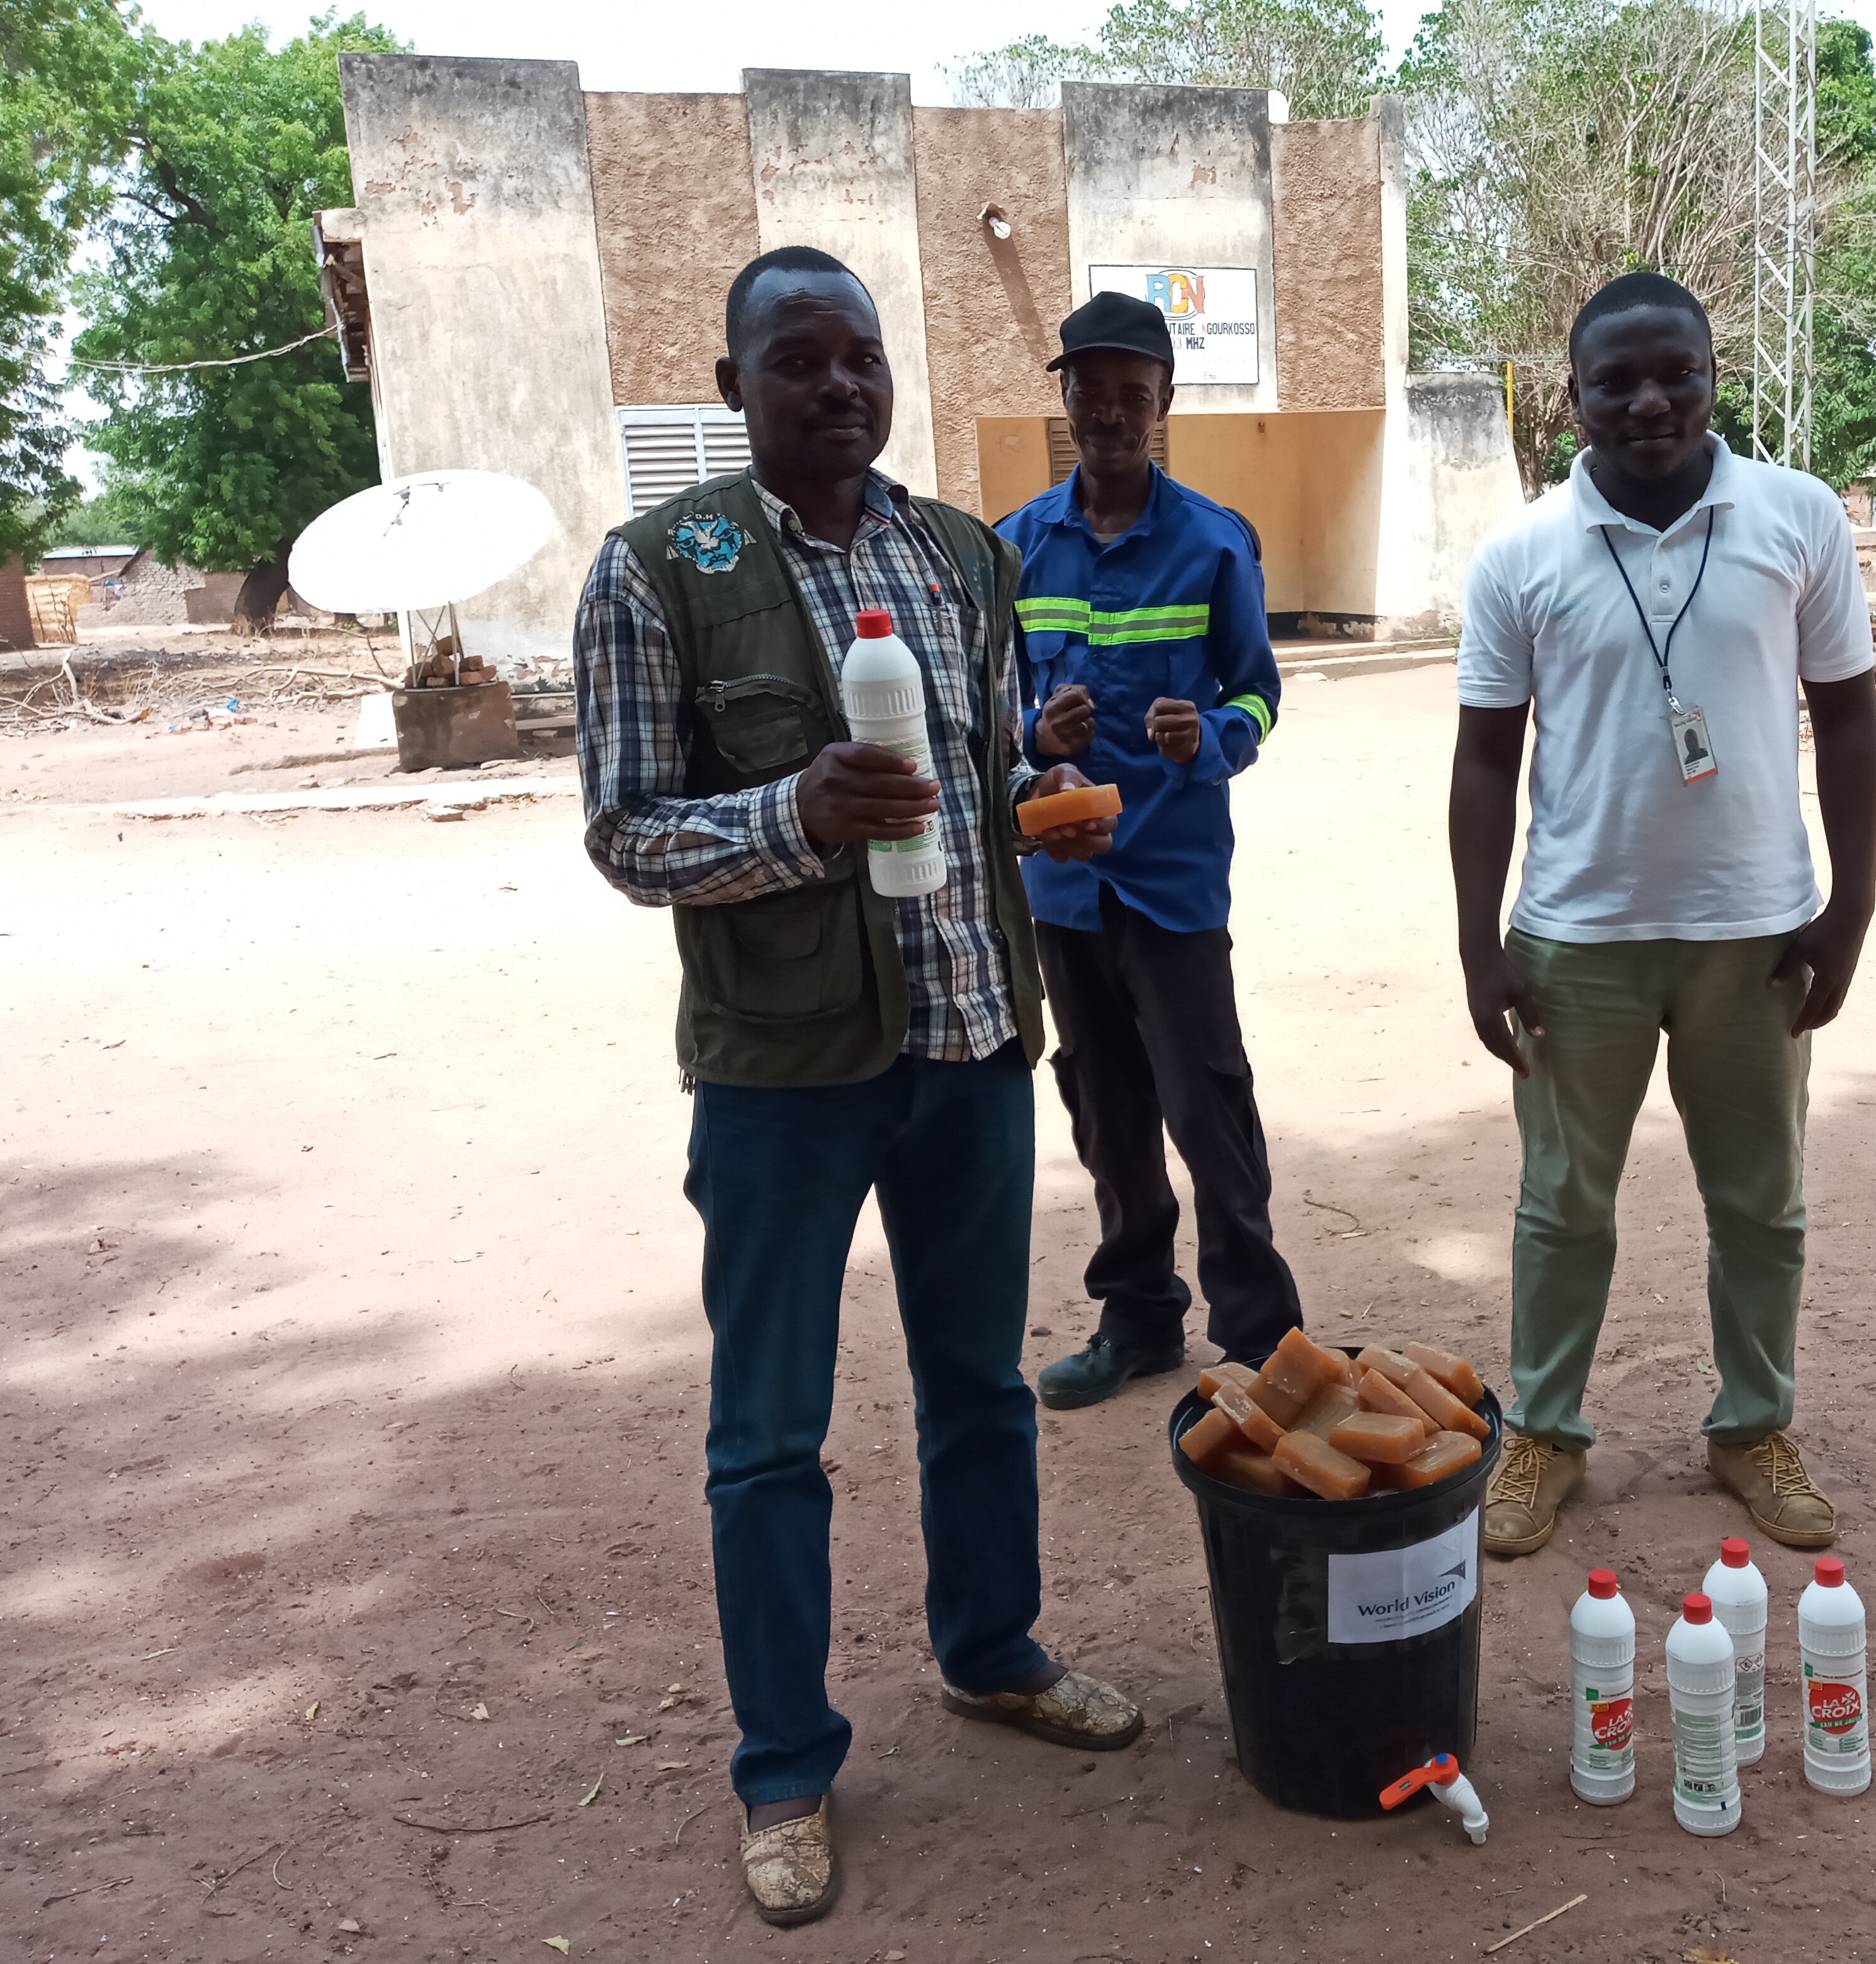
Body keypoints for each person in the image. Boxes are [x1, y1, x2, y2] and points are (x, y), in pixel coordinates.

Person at [572, 244, 1144, 1929]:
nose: (837, 384)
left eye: (860, 357)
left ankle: (993, 1653)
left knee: (980, 1386)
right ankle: (784, 1767)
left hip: (972, 1043)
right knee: (771, 1435)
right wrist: (792, 819)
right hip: (783, 1075)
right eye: (797, 359)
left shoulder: (960, 550)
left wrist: (1049, 773)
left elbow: (981, 770)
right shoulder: (658, 572)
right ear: (736, 383)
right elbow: (624, 834)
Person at [1447, 271, 1876, 1560]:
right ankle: (1543, 1433)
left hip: (1753, 928)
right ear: (1570, 398)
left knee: (1761, 1200)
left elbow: (1851, 721)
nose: (1647, 401)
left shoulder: (1796, 518)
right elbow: (1484, 760)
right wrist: (1480, 944)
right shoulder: (1521, 554)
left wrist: (1847, 909)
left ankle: (1751, 1425)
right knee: (1560, 1202)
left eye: (1673, 373)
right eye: (1614, 382)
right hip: (1575, 933)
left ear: (1710, 374)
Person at [996, 291, 1304, 1408]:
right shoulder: (1013, 550)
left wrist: (1214, 732)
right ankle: (1138, 1320)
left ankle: (1266, 1339)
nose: (1113, 413)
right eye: (1093, 392)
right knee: (1103, 1104)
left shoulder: (1215, 544)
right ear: (1066, 399)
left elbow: (1262, 695)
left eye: (1136, 394)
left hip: (1173, 879)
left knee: (1207, 1101)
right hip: (1065, 883)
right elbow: (991, 718)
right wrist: (1036, 740)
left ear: (1165, 401)